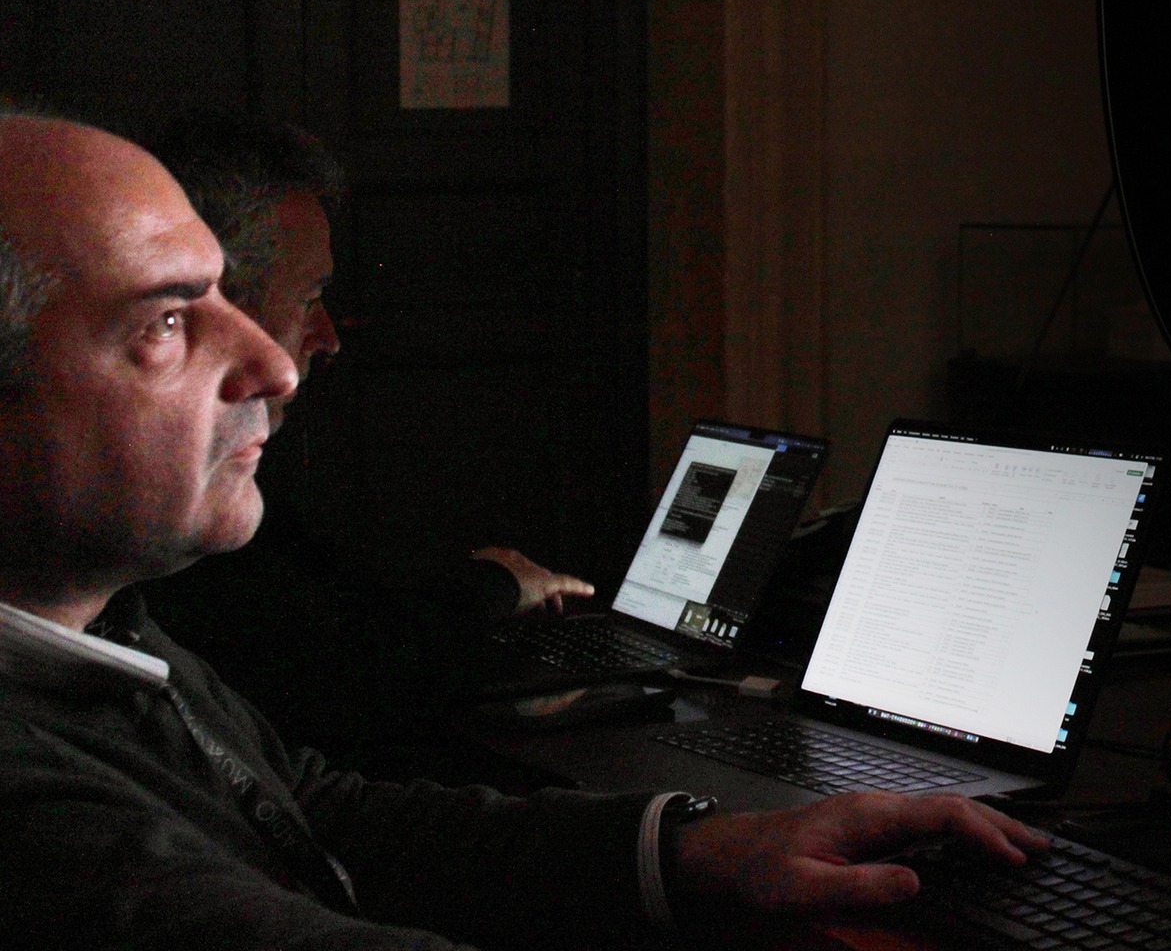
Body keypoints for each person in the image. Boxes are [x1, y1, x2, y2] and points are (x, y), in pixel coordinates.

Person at [0, 106, 1044, 948]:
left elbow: (311, 813)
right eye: (166, 322)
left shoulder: (101, 625)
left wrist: (703, 850)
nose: (275, 366)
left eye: (230, 300)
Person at [133, 111, 591, 781]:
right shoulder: (167, 514)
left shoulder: (228, 479)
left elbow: (334, 620)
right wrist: (491, 591)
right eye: (308, 298)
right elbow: (336, 676)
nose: (327, 337)